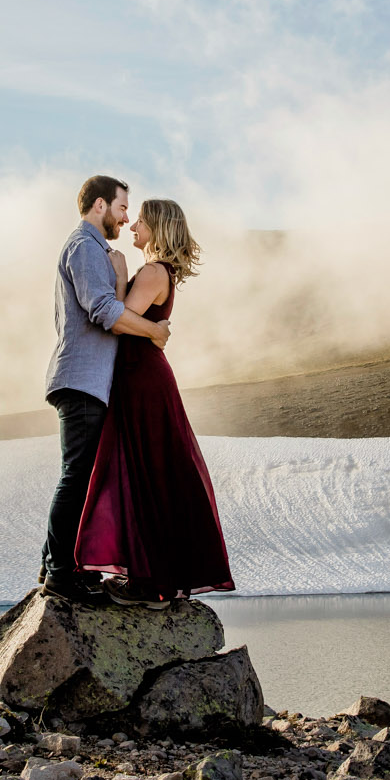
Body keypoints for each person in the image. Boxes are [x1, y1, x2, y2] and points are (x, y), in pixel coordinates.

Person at [75, 198, 235, 606]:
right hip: (141, 373)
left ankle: (153, 581)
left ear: (157, 228)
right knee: (149, 469)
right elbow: (144, 325)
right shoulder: (165, 272)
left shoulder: (151, 271)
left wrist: (120, 275)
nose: (133, 227)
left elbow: (119, 319)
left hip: (140, 377)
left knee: (145, 470)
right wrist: (155, 329)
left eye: (140, 222)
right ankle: (156, 576)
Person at [39, 175, 171, 602]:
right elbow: (102, 310)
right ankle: (60, 574)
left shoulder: (94, 249)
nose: (126, 217)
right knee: (76, 476)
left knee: (79, 475)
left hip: (87, 379)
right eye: (121, 208)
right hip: (81, 380)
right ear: (100, 205)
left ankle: (54, 567)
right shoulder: (85, 247)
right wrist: (153, 330)